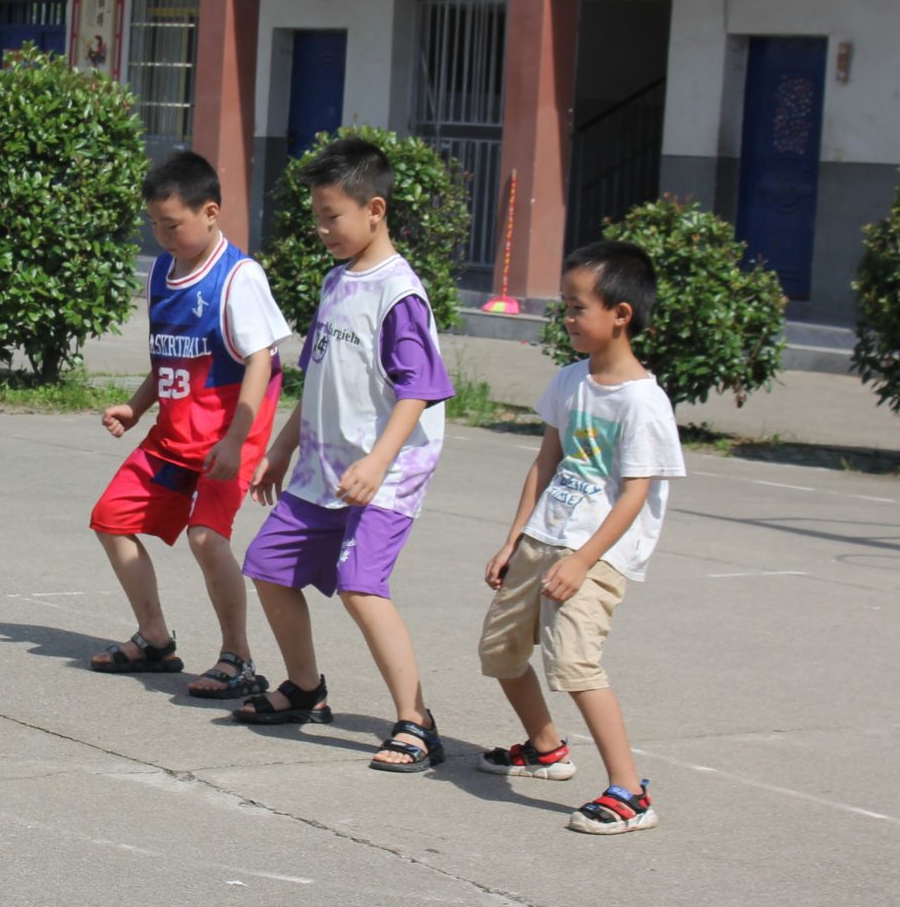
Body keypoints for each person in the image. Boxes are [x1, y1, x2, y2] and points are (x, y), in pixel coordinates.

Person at [237, 137, 454, 772]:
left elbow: (419, 390)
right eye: (317, 215)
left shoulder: (399, 293)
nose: (322, 227)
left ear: (375, 209)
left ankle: (417, 723)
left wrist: (379, 462)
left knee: (363, 587)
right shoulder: (337, 281)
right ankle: (305, 688)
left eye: (333, 215)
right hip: (322, 467)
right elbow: (320, 377)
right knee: (268, 566)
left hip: (385, 472)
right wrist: (281, 448)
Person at [477, 240, 686, 834]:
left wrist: (584, 561)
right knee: (499, 652)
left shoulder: (644, 402)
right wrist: (513, 539)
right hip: (543, 538)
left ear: (621, 314)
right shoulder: (570, 381)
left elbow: (635, 494)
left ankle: (630, 791)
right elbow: (546, 464)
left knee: (574, 663)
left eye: (577, 308)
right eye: (565, 307)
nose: (566, 318)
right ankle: (546, 749)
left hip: (595, 553)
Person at [89, 151, 292, 699]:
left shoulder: (238, 277)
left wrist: (236, 440)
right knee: (111, 518)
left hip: (226, 441)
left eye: (172, 224)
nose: (161, 235)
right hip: (172, 438)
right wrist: (136, 406)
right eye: (153, 223)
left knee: (207, 538)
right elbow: (169, 357)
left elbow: (261, 361)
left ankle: (238, 657)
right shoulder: (162, 271)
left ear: (210, 213)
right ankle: (155, 639)